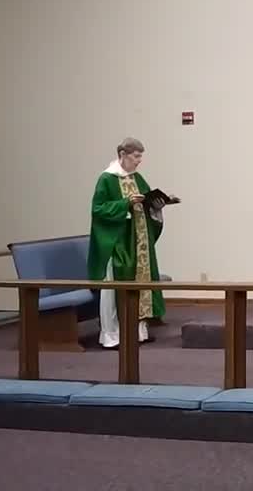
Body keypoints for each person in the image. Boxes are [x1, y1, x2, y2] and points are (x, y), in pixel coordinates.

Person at [88, 137, 174, 349]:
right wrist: (125, 203)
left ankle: (138, 332)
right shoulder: (107, 179)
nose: (138, 162)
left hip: (138, 241)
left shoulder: (136, 177)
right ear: (123, 155)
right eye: (136, 157)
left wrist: (158, 204)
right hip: (118, 243)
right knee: (114, 290)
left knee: (140, 285)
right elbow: (98, 209)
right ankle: (112, 336)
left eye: (140, 157)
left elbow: (145, 201)